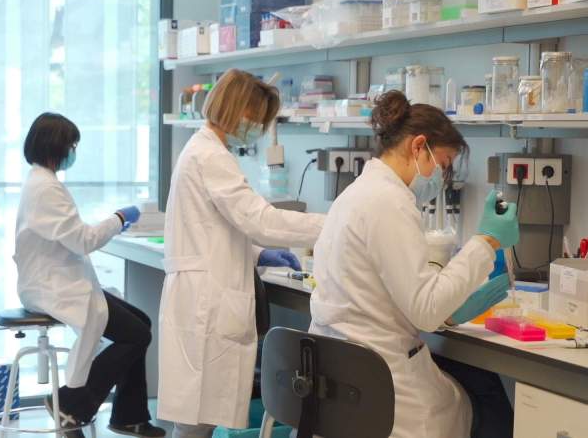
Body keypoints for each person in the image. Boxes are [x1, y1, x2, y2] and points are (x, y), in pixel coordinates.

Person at [309, 91, 519, 438]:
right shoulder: (390, 202)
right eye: (444, 163)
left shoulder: (358, 192)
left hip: (342, 377)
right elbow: (425, 310)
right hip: (382, 389)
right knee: (490, 397)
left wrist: (449, 308)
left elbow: (385, 291)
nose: (442, 177)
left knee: (470, 375)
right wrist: (486, 241)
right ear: (419, 146)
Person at [158, 69, 325, 438]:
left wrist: (259, 254)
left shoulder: (203, 150)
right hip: (205, 303)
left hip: (201, 296)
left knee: (196, 418)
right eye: (257, 119)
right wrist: (333, 223)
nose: (258, 128)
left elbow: (219, 227)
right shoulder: (210, 156)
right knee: (195, 420)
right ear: (239, 111)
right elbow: (259, 220)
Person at [15, 113, 165, 438]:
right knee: (136, 334)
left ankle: (130, 416)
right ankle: (71, 404)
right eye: (72, 146)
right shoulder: (45, 189)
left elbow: (71, 235)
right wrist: (119, 218)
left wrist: (115, 222)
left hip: (58, 281)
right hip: (51, 287)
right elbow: (83, 240)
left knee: (140, 322)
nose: (73, 152)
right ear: (56, 147)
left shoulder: (41, 182)